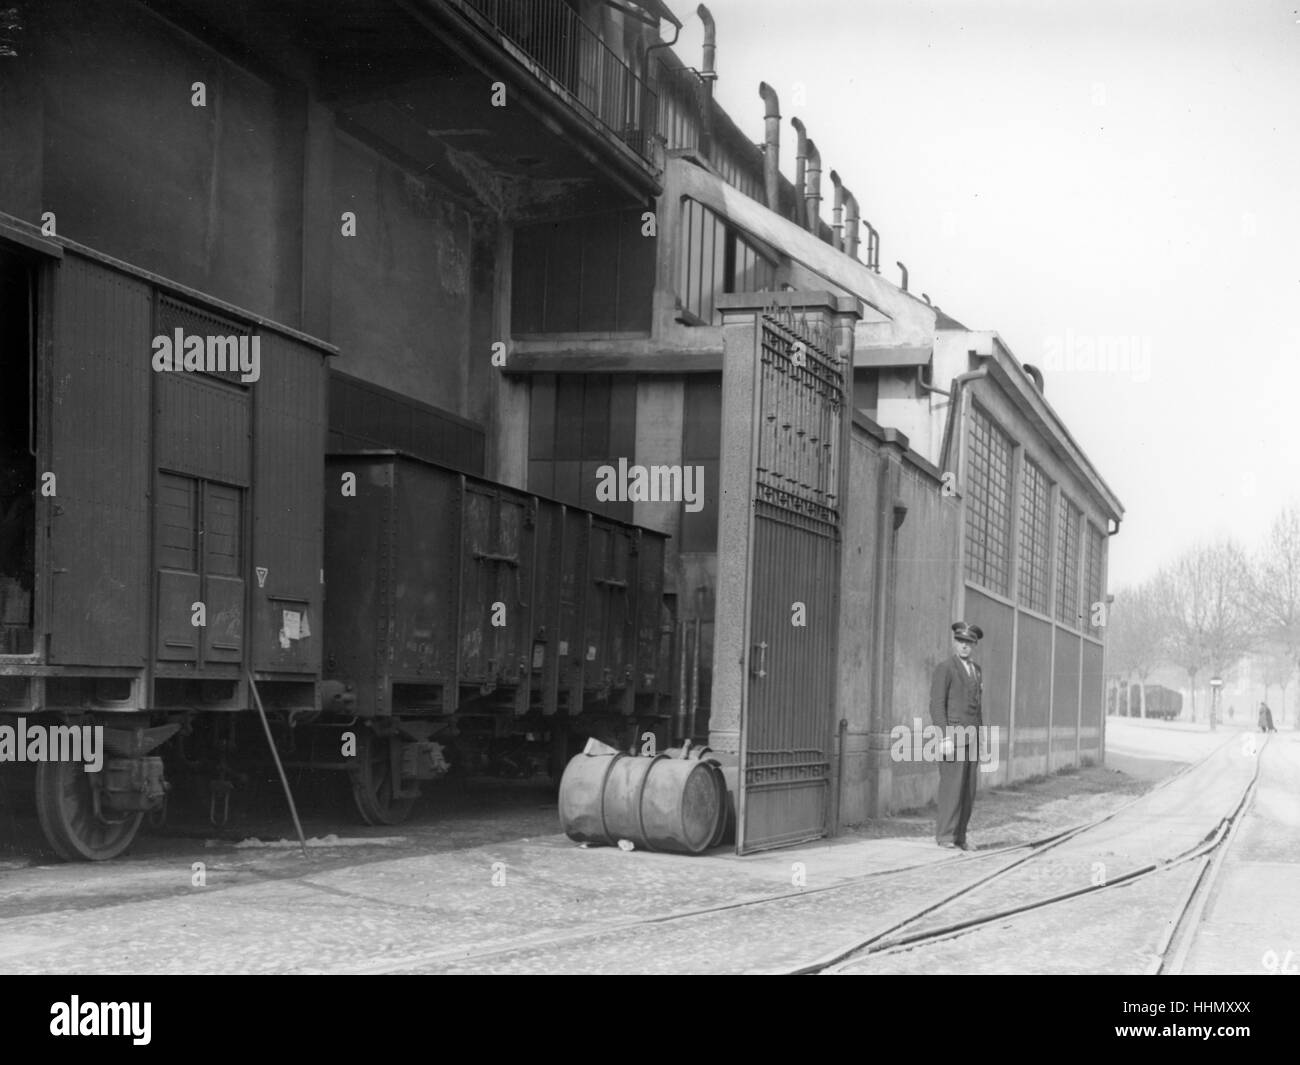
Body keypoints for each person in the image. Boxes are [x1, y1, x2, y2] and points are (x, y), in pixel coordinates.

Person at [930, 621, 984, 851]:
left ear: (974, 645)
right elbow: (936, 705)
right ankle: (945, 836)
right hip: (952, 737)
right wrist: (944, 737)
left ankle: (960, 836)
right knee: (951, 788)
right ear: (954, 642)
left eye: (969, 643)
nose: (964, 646)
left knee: (968, 790)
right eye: (961, 641)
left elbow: (978, 707)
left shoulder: (977, 670)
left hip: (972, 738)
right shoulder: (945, 668)